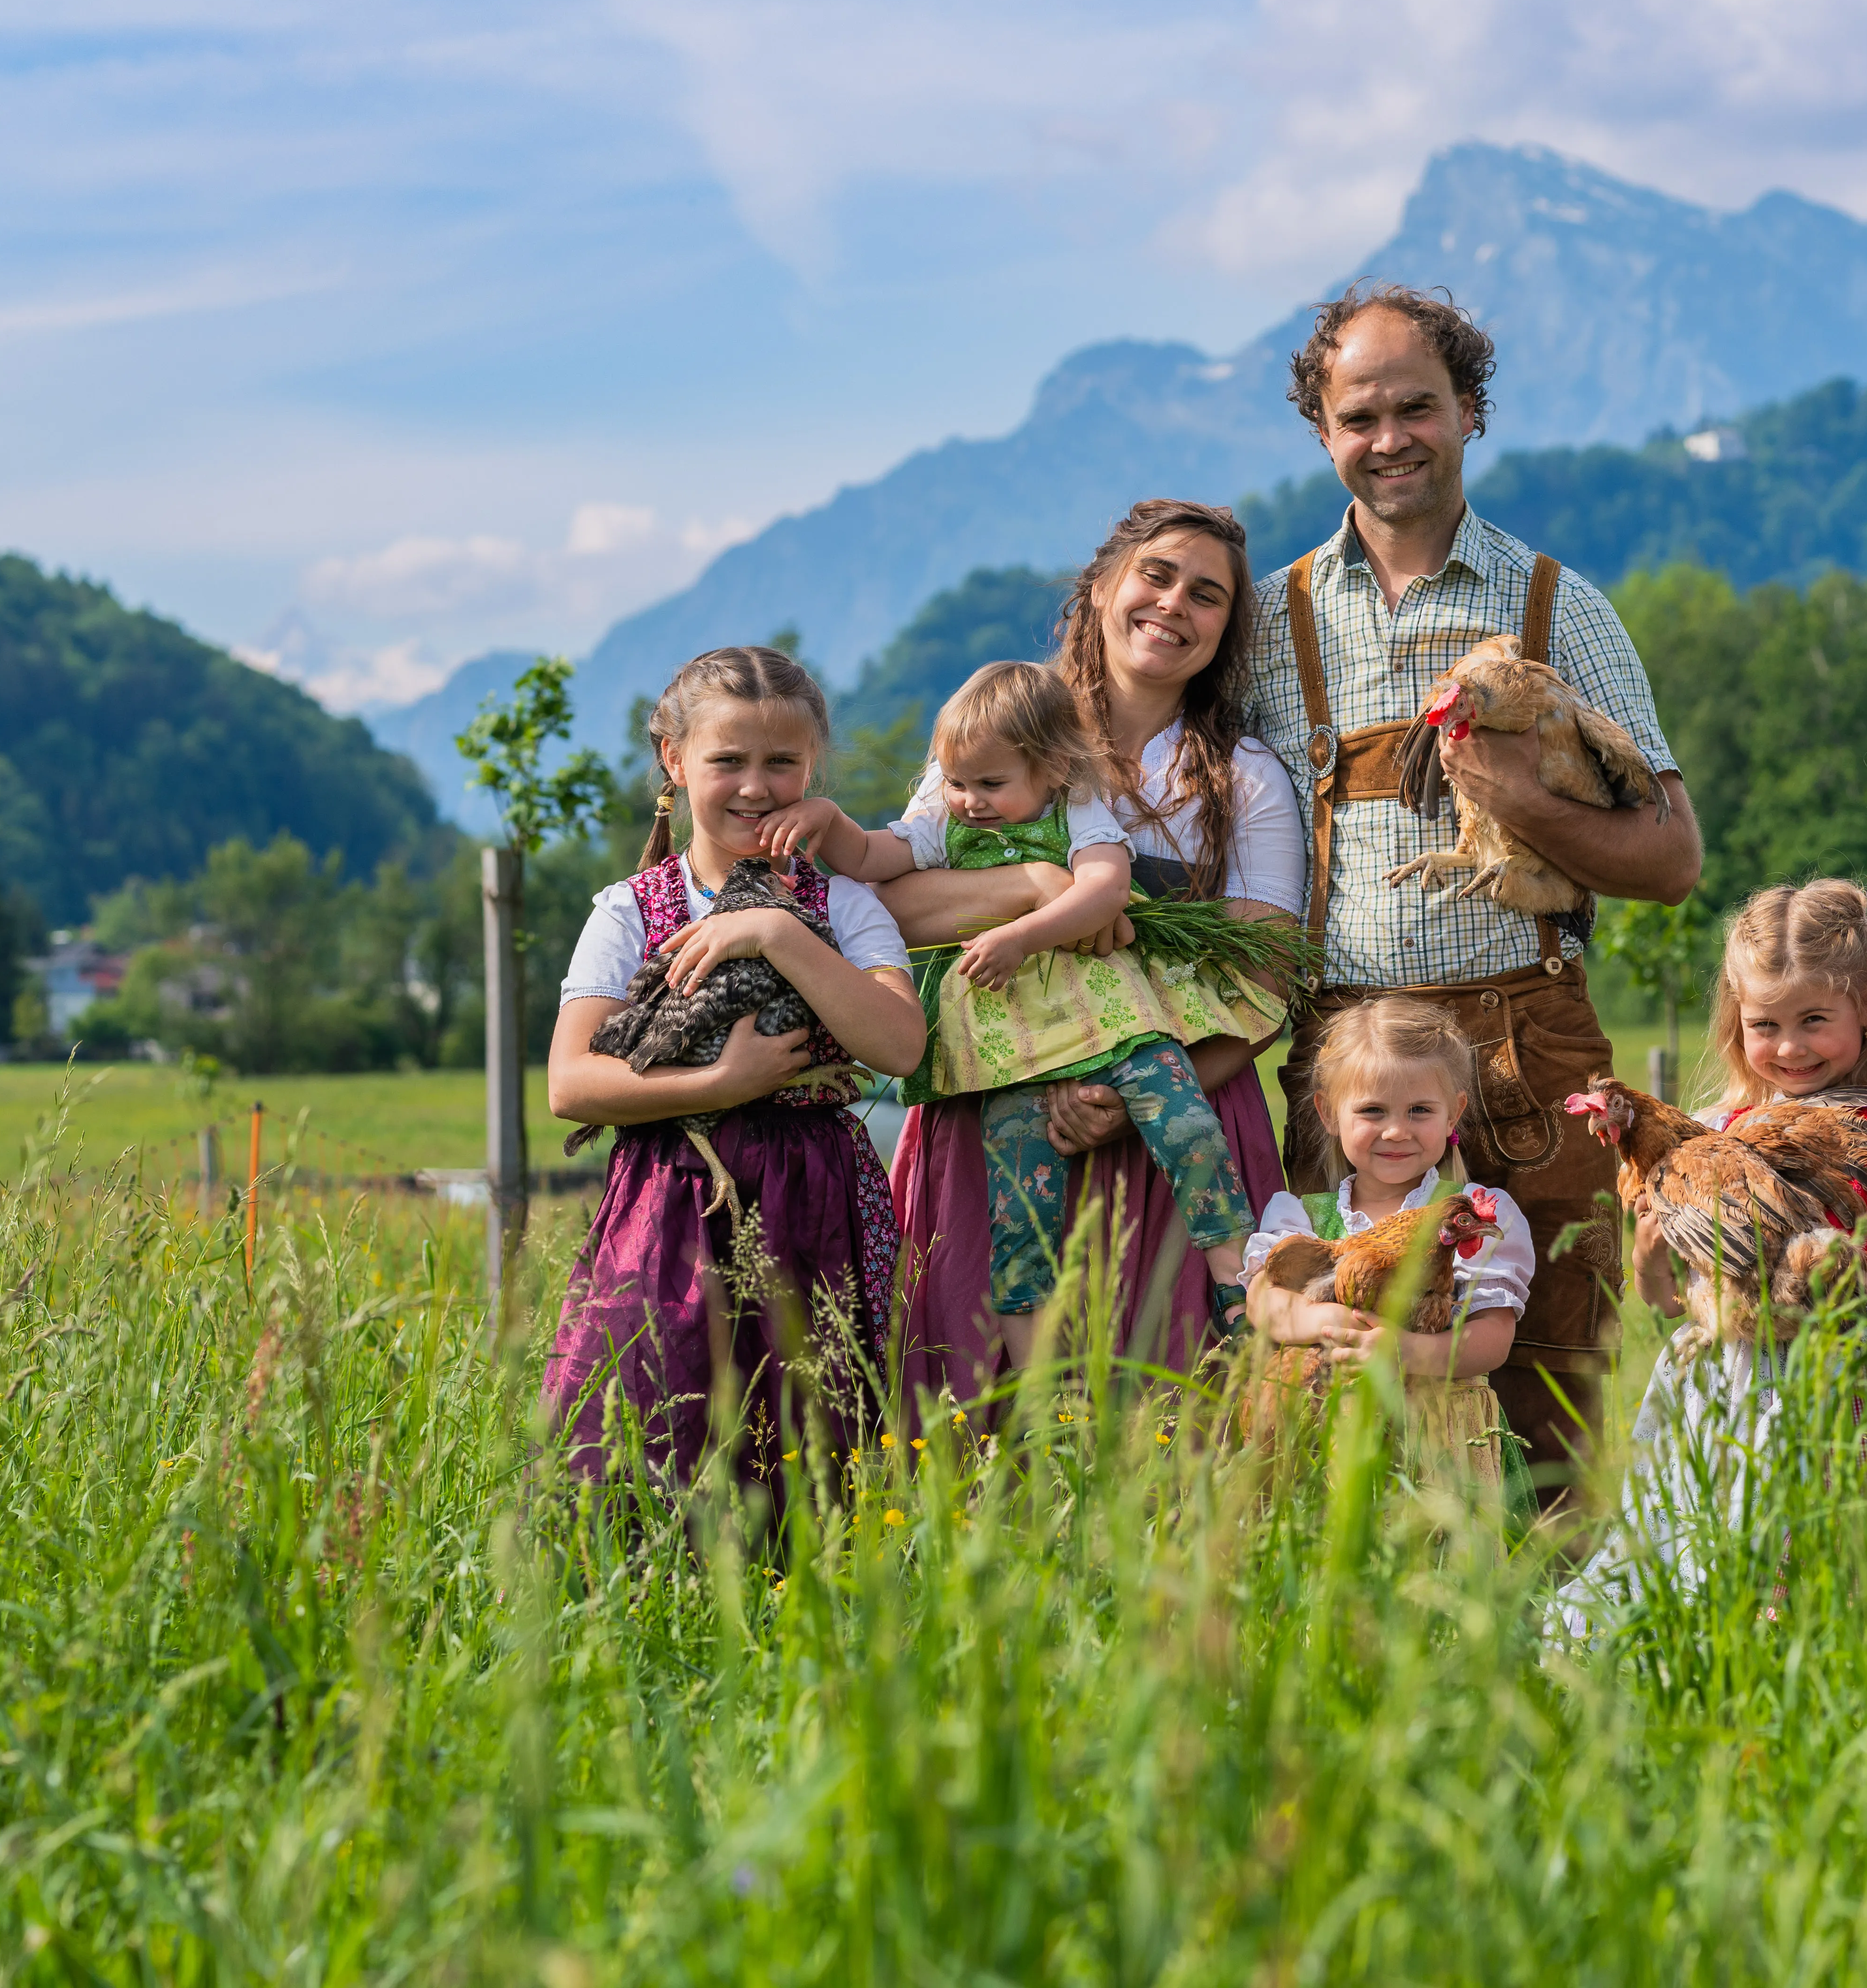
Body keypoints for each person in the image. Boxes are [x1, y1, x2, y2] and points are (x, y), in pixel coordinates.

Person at [1242, 283, 1702, 1512]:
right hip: (1331, 1056)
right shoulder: (1263, 619)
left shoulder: (1559, 608)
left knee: (1553, 1394)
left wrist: (1518, 797)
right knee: (1327, 1414)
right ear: (1322, 432)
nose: (1390, 437)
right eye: (1360, 415)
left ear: (1471, 412)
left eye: (1417, 408)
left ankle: (1555, 1661)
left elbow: (1671, 857)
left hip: (1525, 1038)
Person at [781, 501, 1302, 1414]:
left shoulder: (1244, 777)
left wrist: (1113, 1100)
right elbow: (891, 904)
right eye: (1157, 575)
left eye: (1207, 594)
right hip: (995, 1099)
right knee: (995, 1391)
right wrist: (1033, 886)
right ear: (1101, 587)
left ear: (1228, 629)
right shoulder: (996, 732)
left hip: (1171, 1108)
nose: (1175, 603)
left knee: (1177, 1403)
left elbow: (1263, 980)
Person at [540, 645, 927, 1498]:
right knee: (654, 1428)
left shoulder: (844, 905)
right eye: (728, 761)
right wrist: (723, 1085)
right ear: (675, 762)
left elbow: (900, 1045)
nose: (755, 786)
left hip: (814, 1199)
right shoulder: (631, 908)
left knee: (816, 1443)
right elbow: (570, 1085)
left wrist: (777, 934)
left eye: (781, 763)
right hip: (672, 1196)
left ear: (813, 766)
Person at [1558, 885, 1867, 1630]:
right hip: (1731, 1376)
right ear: (1734, 1024)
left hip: (1852, 1368)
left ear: (1863, 1010)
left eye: (1815, 1020)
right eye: (1765, 1025)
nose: (1791, 1047)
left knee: (1845, 1540)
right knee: (1723, 1532)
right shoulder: (1714, 1132)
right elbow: (1666, 1299)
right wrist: (1653, 1248)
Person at [1241, 996, 1535, 1482]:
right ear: (1329, 1113)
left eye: (1420, 1109)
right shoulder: (1300, 1214)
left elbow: (1493, 1336)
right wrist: (1323, 1319)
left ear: (1453, 1113)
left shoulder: (1479, 1212)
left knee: (1433, 1552)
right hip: (1317, 1421)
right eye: (1373, 1111)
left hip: (1436, 1432)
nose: (1396, 1130)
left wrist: (1407, 1352)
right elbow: (1261, 1301)